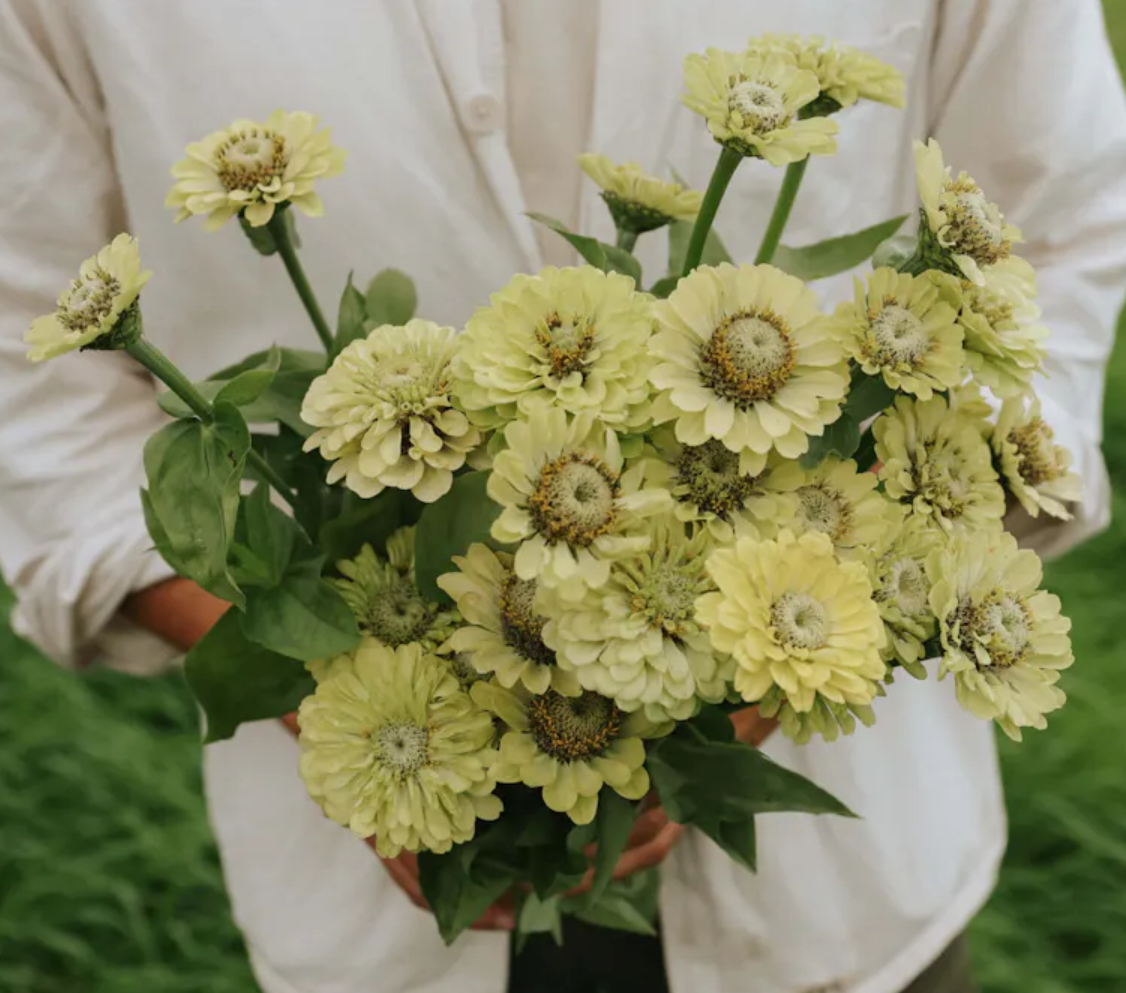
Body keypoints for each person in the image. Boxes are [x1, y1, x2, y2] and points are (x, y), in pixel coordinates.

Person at [2, 1, 1124, 991]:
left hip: (849, 898)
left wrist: (823, 616)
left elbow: (1059, 224)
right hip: (366, 872)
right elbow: (28, 352)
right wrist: (332, 687)